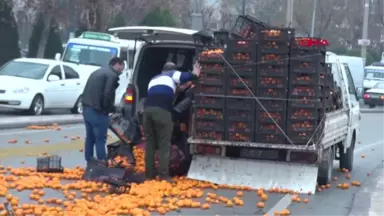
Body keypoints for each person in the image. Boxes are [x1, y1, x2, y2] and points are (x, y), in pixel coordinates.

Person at [143, 61, 201, 181]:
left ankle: (149, 175)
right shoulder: (171, 74)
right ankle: (164, 175)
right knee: (164, 143)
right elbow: (184, 76)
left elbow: (168, 90)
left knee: (150, 144)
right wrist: (195, 74)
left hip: (147, 111)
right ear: (172, 70)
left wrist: (181, 88)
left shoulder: (154, 79)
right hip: (161, 112)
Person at [81, 57, 125, 162]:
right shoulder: (111, 75)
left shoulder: (98, 72)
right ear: (117, 64)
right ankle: (102, 162)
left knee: (90, 138)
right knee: (100, 139)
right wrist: (111, 109)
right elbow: (107, 95)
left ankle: (90, 162)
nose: (122, 70)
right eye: (122, 67)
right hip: (98, 112)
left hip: (87, 109)